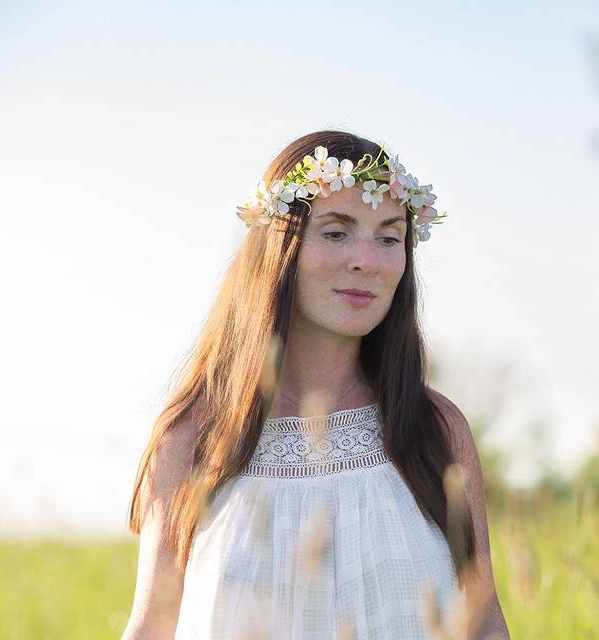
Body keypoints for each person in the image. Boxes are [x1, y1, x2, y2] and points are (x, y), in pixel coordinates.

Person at [121, 130, 510, 639]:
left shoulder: (435, 430)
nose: (366, 261)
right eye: (335, 232)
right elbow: (154, 624)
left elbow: (484, 624)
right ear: (279, 247)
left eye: (389, 237)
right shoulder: (195, 437)